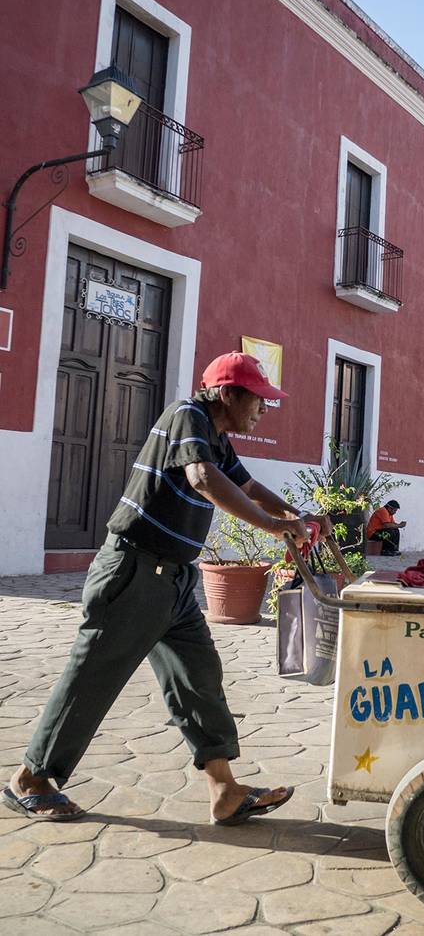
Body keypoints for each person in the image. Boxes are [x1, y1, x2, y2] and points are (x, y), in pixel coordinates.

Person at [2, 352, 330, 825]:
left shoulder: (216, 436)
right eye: (257, 399)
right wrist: (271, 527)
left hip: (173, 580)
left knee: (198, 676)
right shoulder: (187, 416)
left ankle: (224, 789)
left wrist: (291, 517)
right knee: (94, 676)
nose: (263, 410)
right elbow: (202, 478)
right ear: (226, 393)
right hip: (134, 571)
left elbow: (248, 484)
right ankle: (31, 778)